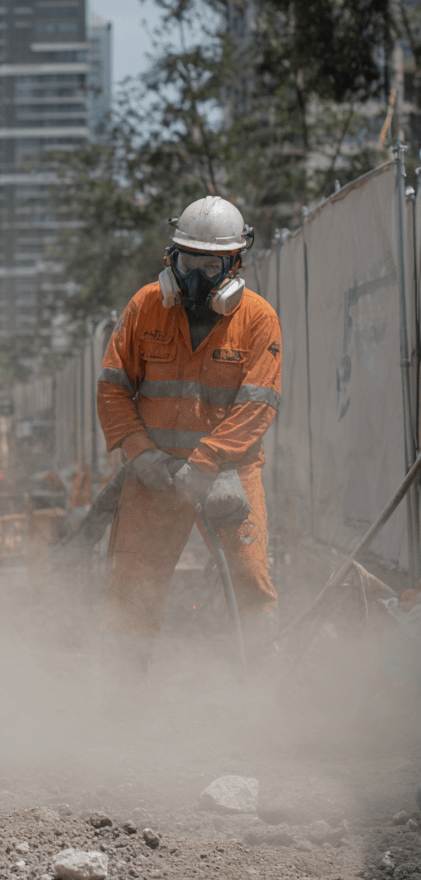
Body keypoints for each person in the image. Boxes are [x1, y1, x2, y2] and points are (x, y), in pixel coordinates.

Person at [96, 196, 282, 681]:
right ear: (170, 258)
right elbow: (112, 389)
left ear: (235, 264)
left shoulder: (258, 319)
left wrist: (209, 464)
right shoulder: (144, 308)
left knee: (250, 578)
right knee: (133, 583)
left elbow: (257, 404)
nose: (195, 277)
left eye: (210, 264)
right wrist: (139, 453)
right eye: (187, 261)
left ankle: (264, 695)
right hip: (154, 472)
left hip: (227, 474)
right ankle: (121, 693)